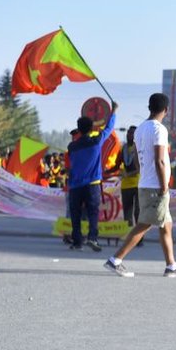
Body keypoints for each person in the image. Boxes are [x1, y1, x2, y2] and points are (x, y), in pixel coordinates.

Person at [103, 93, 176, 278]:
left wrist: (146, 174)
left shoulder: (140, 129)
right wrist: (163, 186)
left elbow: (137, 158)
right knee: (144, 224)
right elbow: (160, 160)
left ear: (149, 108)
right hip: (155, 187)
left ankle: (171, 266)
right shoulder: (159, 130)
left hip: (145, 183)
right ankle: (115, 260)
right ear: (166, 110)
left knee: (166, 225)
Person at [66, 101, 118, 252]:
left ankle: (77, 242)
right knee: (93, 212)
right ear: (91, 129)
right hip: (92, 184)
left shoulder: (72, 147)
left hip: (75, 185)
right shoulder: (96, 141)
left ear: (79, 130)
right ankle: (92, 238)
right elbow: (108, 129)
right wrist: (113, 111)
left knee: (75, 214)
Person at [120, 126, 140, 227]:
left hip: (138, 185)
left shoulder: (139, 148)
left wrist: (128, 174)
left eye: (132, 133)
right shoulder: (123, 148)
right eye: (128, 133)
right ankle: (129, 236)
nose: (129, 135)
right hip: (125, 186)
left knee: (137, 212)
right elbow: (117, 164)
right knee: (127, 214)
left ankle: (139, 238)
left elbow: (139, 169)